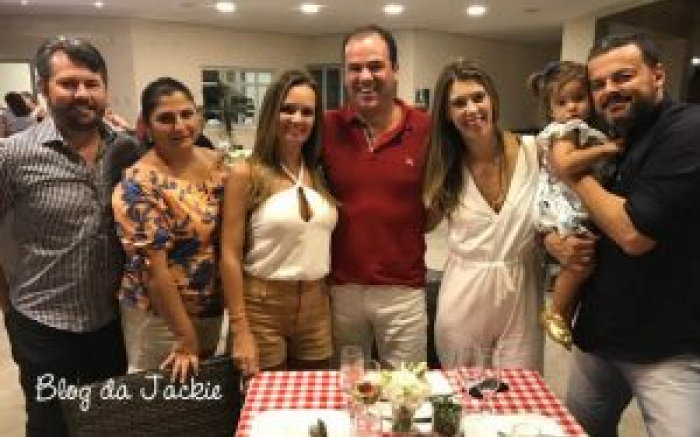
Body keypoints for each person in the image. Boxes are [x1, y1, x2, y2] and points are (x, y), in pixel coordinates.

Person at [548, 33, 700, 437]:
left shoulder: (687, 130)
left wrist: (572, 174)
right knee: (581, 430)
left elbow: (633, 234)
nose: (609, 90)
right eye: (598, 84)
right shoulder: (607, 134)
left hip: (667, 347)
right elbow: (584, 216)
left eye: (623, 76)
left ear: (658, 75)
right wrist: (554, 242)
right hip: (599, 335)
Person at [0, 36, 142, 437]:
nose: (82, 93)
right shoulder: (12, 155)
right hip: (41, 324)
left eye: (92, 83)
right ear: (44, 88)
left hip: (109, 322)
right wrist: (8, 307)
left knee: (105, 421)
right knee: (51, 425)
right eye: (68, 83)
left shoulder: (127, 150)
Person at [423, 61, 545, 370]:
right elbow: (423, 224)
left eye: (478, 97)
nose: (471, 109)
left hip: (521, 289)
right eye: (458, 103)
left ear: (492, 99)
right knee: (462, 388)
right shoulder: (446, 167)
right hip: (464, 290)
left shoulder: (535, 151)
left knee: (519, 388)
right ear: (446, 114)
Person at [322, 25, 431, 368]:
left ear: (395, 69)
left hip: (403, 291)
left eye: (375, 66)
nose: (364, 77)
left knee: (407, 389)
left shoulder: (426, 129)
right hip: (341, 288)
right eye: (354, 68)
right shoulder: (325, 128)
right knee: (347, 385)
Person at [112, 77, 228, 382]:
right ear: (147, 127)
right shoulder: (139, 182)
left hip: (209, 307)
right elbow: (153, 268)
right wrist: (184, 336)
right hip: (162, 318)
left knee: (202, 395)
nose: (180, 126)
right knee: (161, 399)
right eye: (165, 119)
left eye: (186, 114)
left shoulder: (218, 164)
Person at [220, 70, 336, 372]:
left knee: (314, 397)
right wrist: (240, 328)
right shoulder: (246, 173)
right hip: (262, 308)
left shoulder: (319, 173)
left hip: (316, 306)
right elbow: (229, 255)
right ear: (272, 112)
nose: (297, 119)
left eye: (307, 112)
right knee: (265, 398)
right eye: (288, 109)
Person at [528, 61, 619, 349]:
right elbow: (565, 164)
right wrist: (606, 149)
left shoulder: (583, 130)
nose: (572, 107)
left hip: (569, 201)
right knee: (581, 264)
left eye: (579, 98)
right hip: (562, 204)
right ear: (550, 110)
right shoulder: (566, 131)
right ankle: (556, 312)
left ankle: (564, 316)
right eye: (562, 102)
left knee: (582, 266)